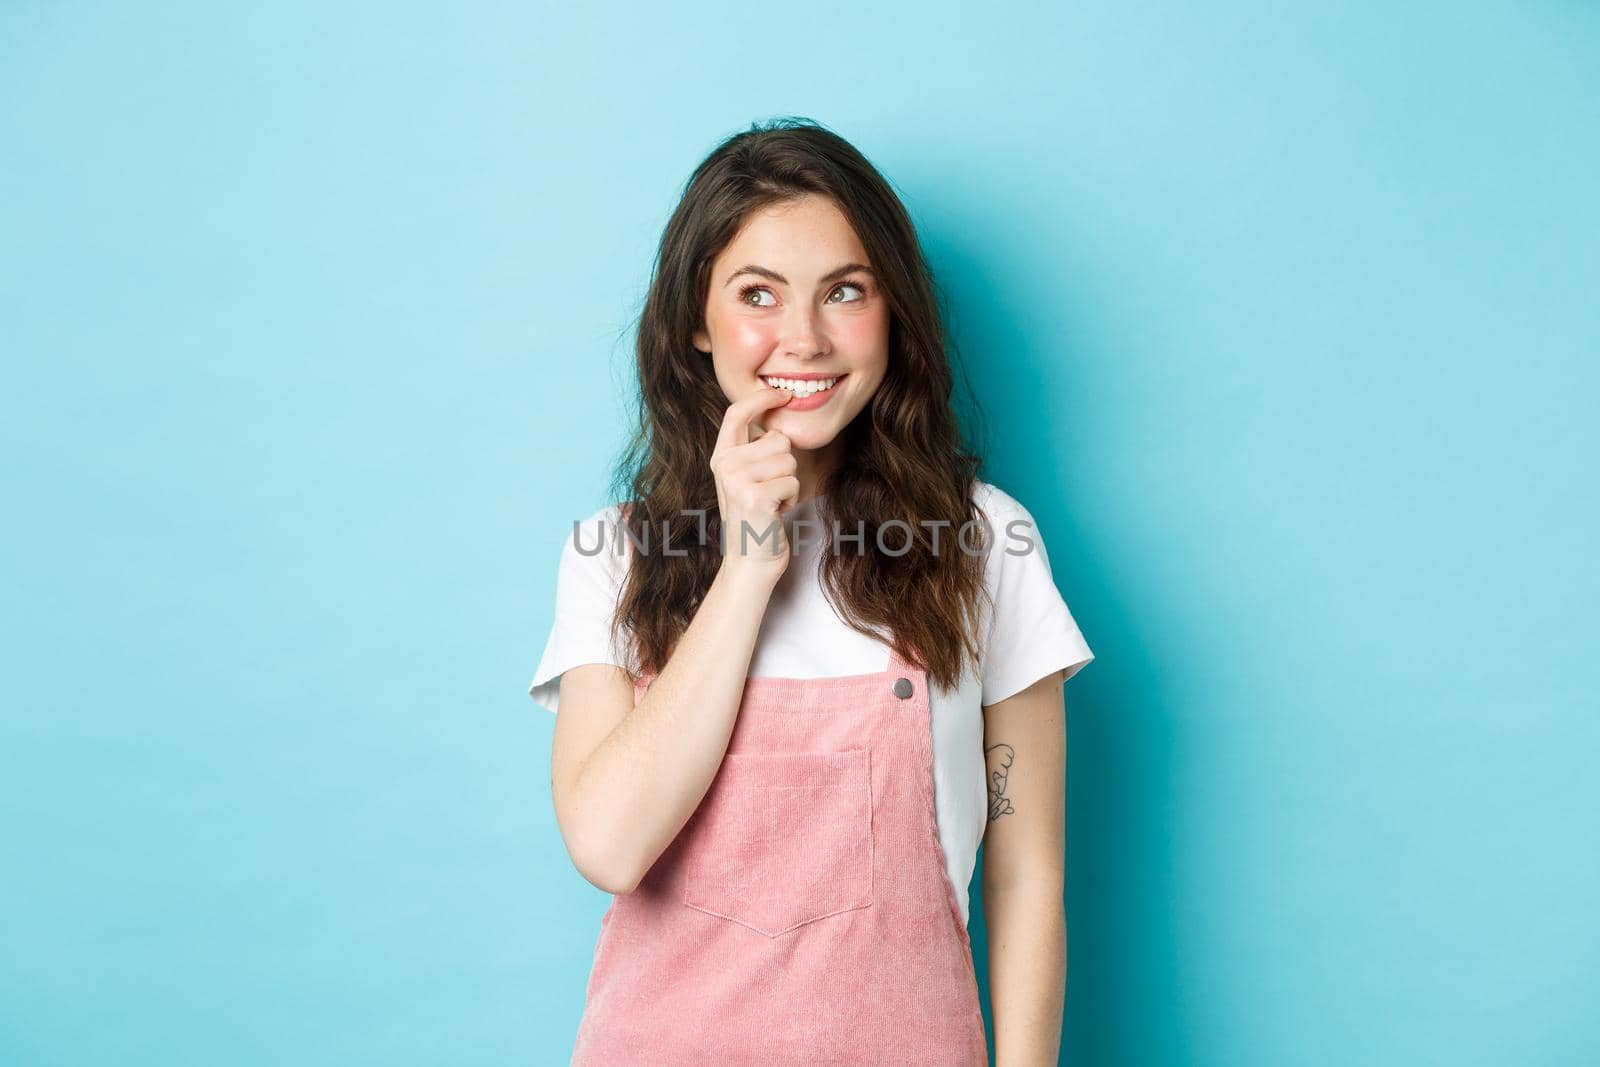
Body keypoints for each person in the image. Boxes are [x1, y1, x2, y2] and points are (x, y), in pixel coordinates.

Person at [527, 117, 1095, 1065]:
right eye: (759, 294)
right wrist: (750, 565)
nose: (805, 338)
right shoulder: (614, 554)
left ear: (892, 313)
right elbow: (610, 846)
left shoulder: (986, 540)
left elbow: (1027, 873)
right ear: (695, 328)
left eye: (845, 291)